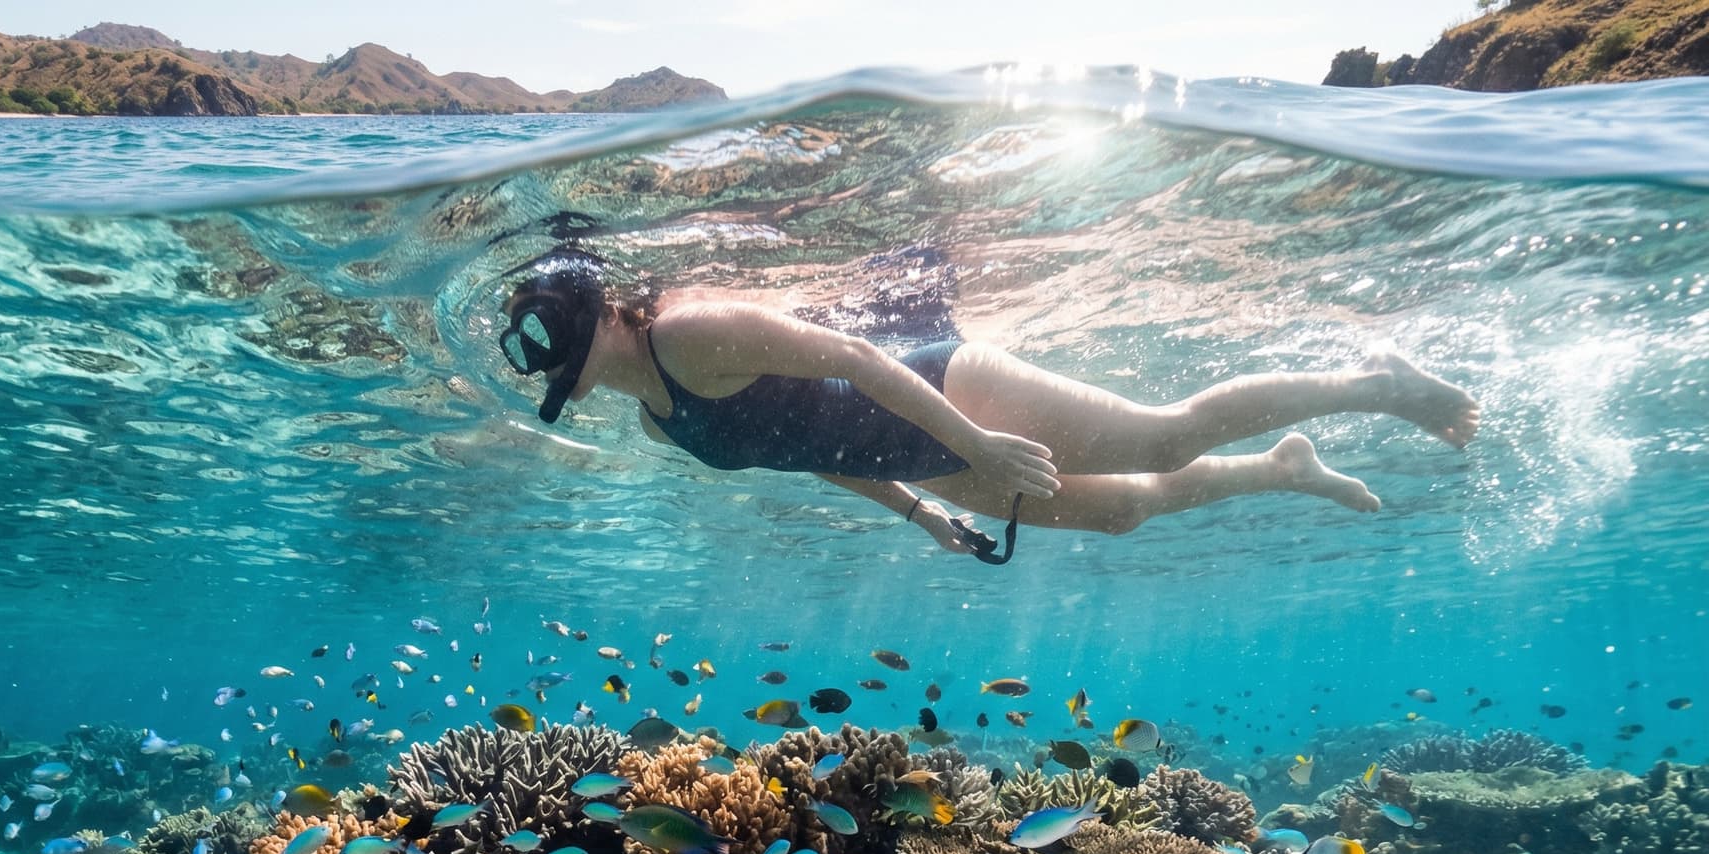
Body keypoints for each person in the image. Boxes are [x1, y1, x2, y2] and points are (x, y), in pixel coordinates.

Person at [497, 249, 1479, 559]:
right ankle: (1280, 468)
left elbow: (851, 356)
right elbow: (802, 450)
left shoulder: (690, 330)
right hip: (919, 454)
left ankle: (1375, 383)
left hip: (938, 387)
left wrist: (979, 443)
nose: (561, 371)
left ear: (598, 317)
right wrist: (928, 513)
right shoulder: (651, 417)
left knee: (1162, 434)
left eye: (559, 343)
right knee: (1122, 508)